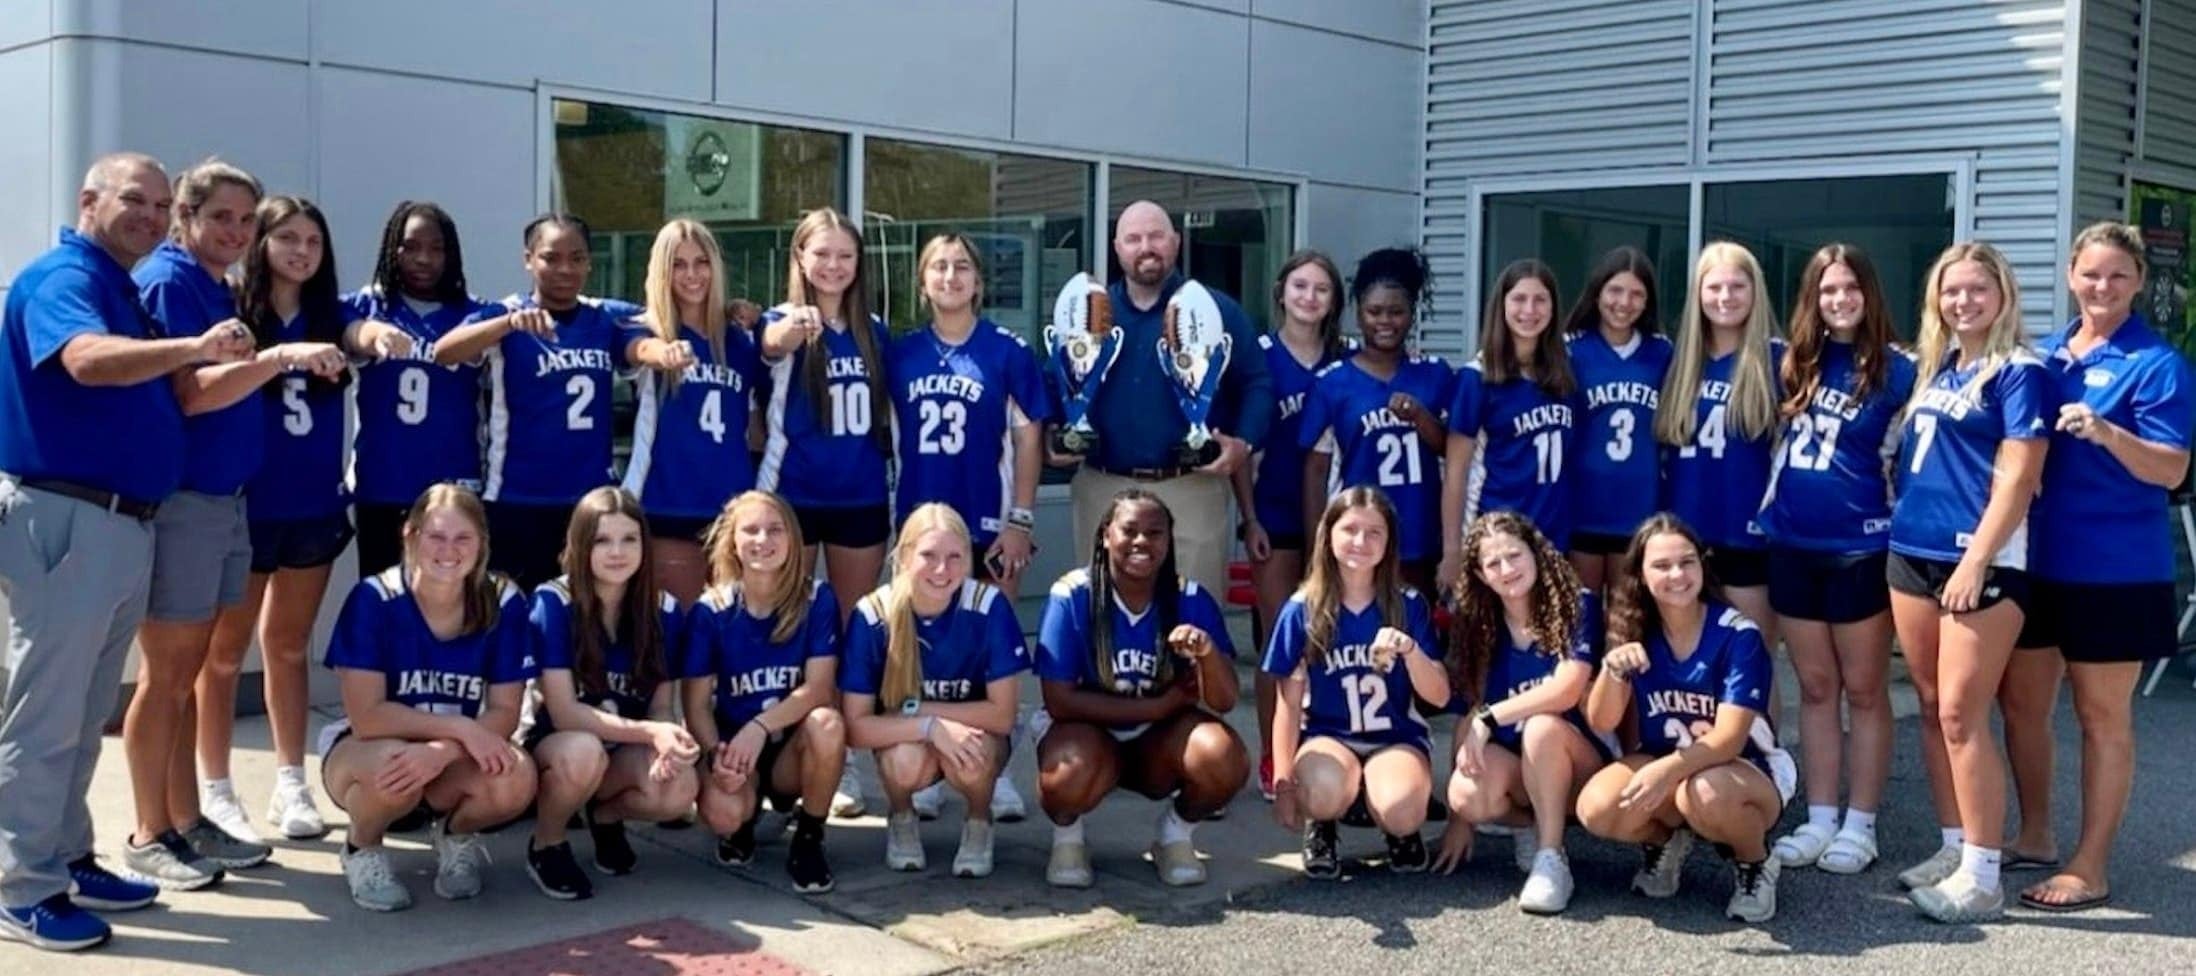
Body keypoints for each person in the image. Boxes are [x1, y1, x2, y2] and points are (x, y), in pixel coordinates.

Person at [0, 152, 249, 952]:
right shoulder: (62, 277)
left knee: (81, 713)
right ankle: (21, 887)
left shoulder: (116, 282)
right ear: (89, 201)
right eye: (133, 201)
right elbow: (82, 360)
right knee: (46, 715)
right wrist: (191, 348)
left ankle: (66, 857)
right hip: (69, 519)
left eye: (158, 203)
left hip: (118, 524)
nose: (148, 215)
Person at [125, 159, 346, 888]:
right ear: (187, 216)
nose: (234, 231)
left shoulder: (212, 285)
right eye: (222, 216)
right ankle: (150, 830)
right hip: (188, 499)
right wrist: (279, 356)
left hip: (228, 500)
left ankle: (188, 823)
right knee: (169, 678)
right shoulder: (168, 279)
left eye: (243, 219)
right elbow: (190, 394)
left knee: (188, 673)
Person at [2004, 223, 2193, 913]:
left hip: (2116, 569)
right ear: (2070, 276)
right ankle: (2035, 833)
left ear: (2139, 280)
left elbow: (2172, 468)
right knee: (2022, 705)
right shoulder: (2047, 355)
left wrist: (2108, 433)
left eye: (2118, 275)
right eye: (2091, 274)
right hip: (2038, 560)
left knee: (2098, 716)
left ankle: (2092, 863)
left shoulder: (2158, 364)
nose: (2102, 287)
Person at [1885, 242, 2048, 922]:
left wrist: (1978, 558)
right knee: (1930, 707)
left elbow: (2019, 476)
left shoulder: (2019, 372)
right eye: (1952, 291)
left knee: (1961, 714)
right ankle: (1954, 846)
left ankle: (1984, 872)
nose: (1964, 302)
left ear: (2003, 294)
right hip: (1911, 551)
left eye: (1978, 290)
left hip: (1978, 561)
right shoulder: (1939, 369)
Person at [197, 196, 359, 846]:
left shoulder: (333, 315)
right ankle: (216, 787)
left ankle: (291, 779)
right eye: (287, 237)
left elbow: (367, 339)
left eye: (312, 240)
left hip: (313, 504)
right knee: (224, 652)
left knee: (289, 647)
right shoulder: (235, 308)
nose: (300, 250)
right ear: (261, 242)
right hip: (246, 506)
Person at [1754, 244, 1914, 875]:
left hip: (1861, 547)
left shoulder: (1901, 369)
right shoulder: (1791, 362)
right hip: (1793, 542)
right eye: (1827, 290)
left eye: (1850, 287)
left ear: (1869, 292)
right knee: (1815, 688)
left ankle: (1861, 823)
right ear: (1812, 299)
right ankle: (1820, 816)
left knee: (1866, 691)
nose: (1839, 299)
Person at [434, 213, 689, 587]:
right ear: (528, 259)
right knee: (513, 613)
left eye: (577, 258)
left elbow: (655, 329)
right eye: (551, 258)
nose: (565, 269)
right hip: (517, 499)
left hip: (589, 501)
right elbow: (445, 352)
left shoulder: (605, 317)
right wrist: (507, 325)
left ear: (589, 261)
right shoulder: (506, 313)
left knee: (583, 617)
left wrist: (669, 348)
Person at [319, 484, 538, 912]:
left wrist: (441, 751)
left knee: (515, 777)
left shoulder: (502, 600)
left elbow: (506, 711)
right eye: (436, 536)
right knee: (394, 766)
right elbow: (367, 718)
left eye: (463, 539)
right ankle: (361, 848)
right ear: (410, 535)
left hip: (453, 756)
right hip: (365, 752)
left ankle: (456, 836)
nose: (448, 550)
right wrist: (456, 729)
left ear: (482, 545)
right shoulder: (374, 598)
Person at [1576, 514, 1795, 924]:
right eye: (1661, 565)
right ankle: (1667, 840)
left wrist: (1664, 774)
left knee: (1704, 792)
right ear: (1640, 574)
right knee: (1598, 808)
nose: (1677, 574)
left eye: (1687, 562)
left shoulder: (1737, 633)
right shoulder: (1635, 630)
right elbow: (1603, 721)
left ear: (1702, 565)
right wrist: (1613, 670)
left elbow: (1729, 739)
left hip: (1747, 768)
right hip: (1670, 761)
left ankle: (1755, 862)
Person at [752, 208, 897, 822]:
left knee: (845, 631)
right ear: (800, 260)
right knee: (785, 629)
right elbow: (767, 344)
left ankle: (843, 758)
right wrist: (789, 329)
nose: (834, 266)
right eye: (822, 254)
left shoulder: (876, 332)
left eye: (845, 255)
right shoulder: (782, 321)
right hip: (793, 497)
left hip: (860, 496)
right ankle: (778, 749)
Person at [1053, 201, 1273, 601]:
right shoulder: (1089, 312)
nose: (1146, 247)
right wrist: (1058, 436)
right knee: (1102, 619)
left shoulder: (1214, 310)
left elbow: (1258, 383)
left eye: (1156, 236)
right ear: (1117, 248)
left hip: (1190, 487)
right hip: (1104, 485)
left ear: (1175, 241)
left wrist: (1244, 443)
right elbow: (1058, 381)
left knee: (1195, 624)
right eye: (1133, 239)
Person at [1035, 490, 1247, 888]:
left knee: (1222, 756)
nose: (1141, 542)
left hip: (1156, 744)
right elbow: (1059, 701)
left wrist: (1206, 653)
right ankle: (1068, 837)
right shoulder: (1072, 595)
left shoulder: (1189, 597)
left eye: (1155, 533)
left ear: (1169, 540)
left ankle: (1175, 835)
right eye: (1129, 530)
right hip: (1086, 731)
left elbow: (1224, 699)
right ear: (1105, 535)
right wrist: (1160, 706)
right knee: (1066, 774)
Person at [523, 487, 699, 901]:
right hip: (557, 749)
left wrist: (669, 741)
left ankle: (605, 816)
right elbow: (564, 713)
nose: (617, 552)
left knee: (679, 786)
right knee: (583, 751)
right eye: (602, 540)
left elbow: (660, 705)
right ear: (580, 545)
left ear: (645, 544)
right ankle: (547, 843)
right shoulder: (553, 603)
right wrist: (648, 734)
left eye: (629, 539)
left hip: (619, 747)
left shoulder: (664, 610)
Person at [1265, 487, 1449, 879]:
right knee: (1324, 790)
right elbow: (1288, 704)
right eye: (1350, 529)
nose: (1361, 542)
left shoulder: (1408, 604)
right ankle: (1324, 823)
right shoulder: (1301, 609)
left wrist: (1412, 650)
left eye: (1374, 532)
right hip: (1328, 738)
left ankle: (1397, 828)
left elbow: (1440, 693)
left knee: (1402, 811)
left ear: (1389, 542)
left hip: (1394, 737)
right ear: (1328, 536)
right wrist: (1283, 785)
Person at [1433, 511, 1611, 915]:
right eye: (1493, 563)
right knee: (1466, 794)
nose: (1506, 569)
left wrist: (1489, 718)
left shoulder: (1576, 604)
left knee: (1541, 727)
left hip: (1581, 763)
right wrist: (1460, 821)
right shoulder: (1479, 625)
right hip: (1519, 766)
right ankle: (1531, 825)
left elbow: (1566, 690)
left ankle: (1552, 857)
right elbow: (1468, 714)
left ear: (1535, 552)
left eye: (1514, 555)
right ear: (1479, 575)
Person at [840, 504, 1028, 878]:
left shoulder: (987, 606)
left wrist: (924, 712)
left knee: (971, 752)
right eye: (929, 556)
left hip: (973, 736)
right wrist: (928, 728)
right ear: (904, 555)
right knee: (902, 759)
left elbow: (1003, 716)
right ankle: (901, 816)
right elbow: (857, 728)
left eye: (955, 557)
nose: (942, 570)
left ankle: (978, 821)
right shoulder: (874, 613)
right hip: (912, 739)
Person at [681, 490, 846, 893]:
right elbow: (696, 705)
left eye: (775, 530)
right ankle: (744, 821)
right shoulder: (711, 610)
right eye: (750, 530)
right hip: (737, 751)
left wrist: (759, 726)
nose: (763, 540)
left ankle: (808, 836)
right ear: (732, 542)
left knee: (828, 724)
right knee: (724, 815)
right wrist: (715, 754)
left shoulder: (816, 597)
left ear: (792, 538)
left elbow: (820, 688)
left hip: (788, 747)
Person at [1234, 250, 1348, 801]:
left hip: (1343, 526)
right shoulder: (1258, 359)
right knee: (1279, 639)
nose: (1309, 297)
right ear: (1281, 291)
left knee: (1334, 642)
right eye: (1300, 286)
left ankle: (1328, 748)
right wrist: (1249, 517)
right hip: (1274, 518)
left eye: (1321, 289)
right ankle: (1271, 755)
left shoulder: (1349, 360)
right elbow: (1241, 449)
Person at [886, 232, 1048, 597]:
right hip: (918, 520)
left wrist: (1021, 521)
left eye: (962, 267)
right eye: (939, 266)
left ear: (977, 283)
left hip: (990, 521)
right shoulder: (900, 354)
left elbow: (1029, 440)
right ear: (922, 283)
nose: (950, 276)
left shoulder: (1008, 352)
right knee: (920, 641)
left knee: (991, 637)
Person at [343, 200, 495, 577]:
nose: (423, 258)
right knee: (384, 597)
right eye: (410, 247)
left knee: (450, 596)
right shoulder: (366, 305)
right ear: (392, 249)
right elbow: (351, 333)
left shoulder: (475, 314)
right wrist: (374, 335)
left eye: (435, 248)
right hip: (383, 481)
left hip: (454, 484)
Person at [620, 219, 765, 604]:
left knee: (726, 635)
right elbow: (637, 351)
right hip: (668, 503)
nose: (691, 274)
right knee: (676, 632)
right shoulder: (647, 328)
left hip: (732, 508)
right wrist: (662, 353)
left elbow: (752, 424)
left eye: (701, 262)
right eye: (678, 264)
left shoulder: (738, 339)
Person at [1654, 242, 1784, 657]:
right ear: (1698, 294)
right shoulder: (1676, 362)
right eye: (1714, 287)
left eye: (1737, 286)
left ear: (1755, 292)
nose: (1725, 297)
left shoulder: (1778, 362)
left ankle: (1757, 728)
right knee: (1687, 657)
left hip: (1748, 538)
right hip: (1683, 536)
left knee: (1751, 660)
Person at [1301, 248, 1452, 591]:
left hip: (1421, 536)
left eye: (1396, 312)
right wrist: (1316, 546)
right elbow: (1315, 472)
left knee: (1417, 633)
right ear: (1358, 313)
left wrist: (1420, 417)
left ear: (1412, 314)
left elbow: (1453, 451)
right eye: (1374, 311)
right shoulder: (1332, 382)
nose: (1385, 321)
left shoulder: (1436, 374)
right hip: (1357, 538)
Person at [1441, 259, 1580, 586]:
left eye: (1540, 300)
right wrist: (1451, 550)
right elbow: (1456, 472)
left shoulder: (1565, 376)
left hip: (1553, 534)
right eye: (1519, 299)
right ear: (1501, 305)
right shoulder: (1476, 378)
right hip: (1497, 535)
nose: (1529, 310)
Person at [1562, 247, 1672, 590]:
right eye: (1615, 290)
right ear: (1597, 293)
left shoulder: (1663, 352)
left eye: (1637, 293)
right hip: (1583, 505)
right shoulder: (1569, 349)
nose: (1624, 302)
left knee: (1627, 626)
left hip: (1640, 507)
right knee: (1582, 622)